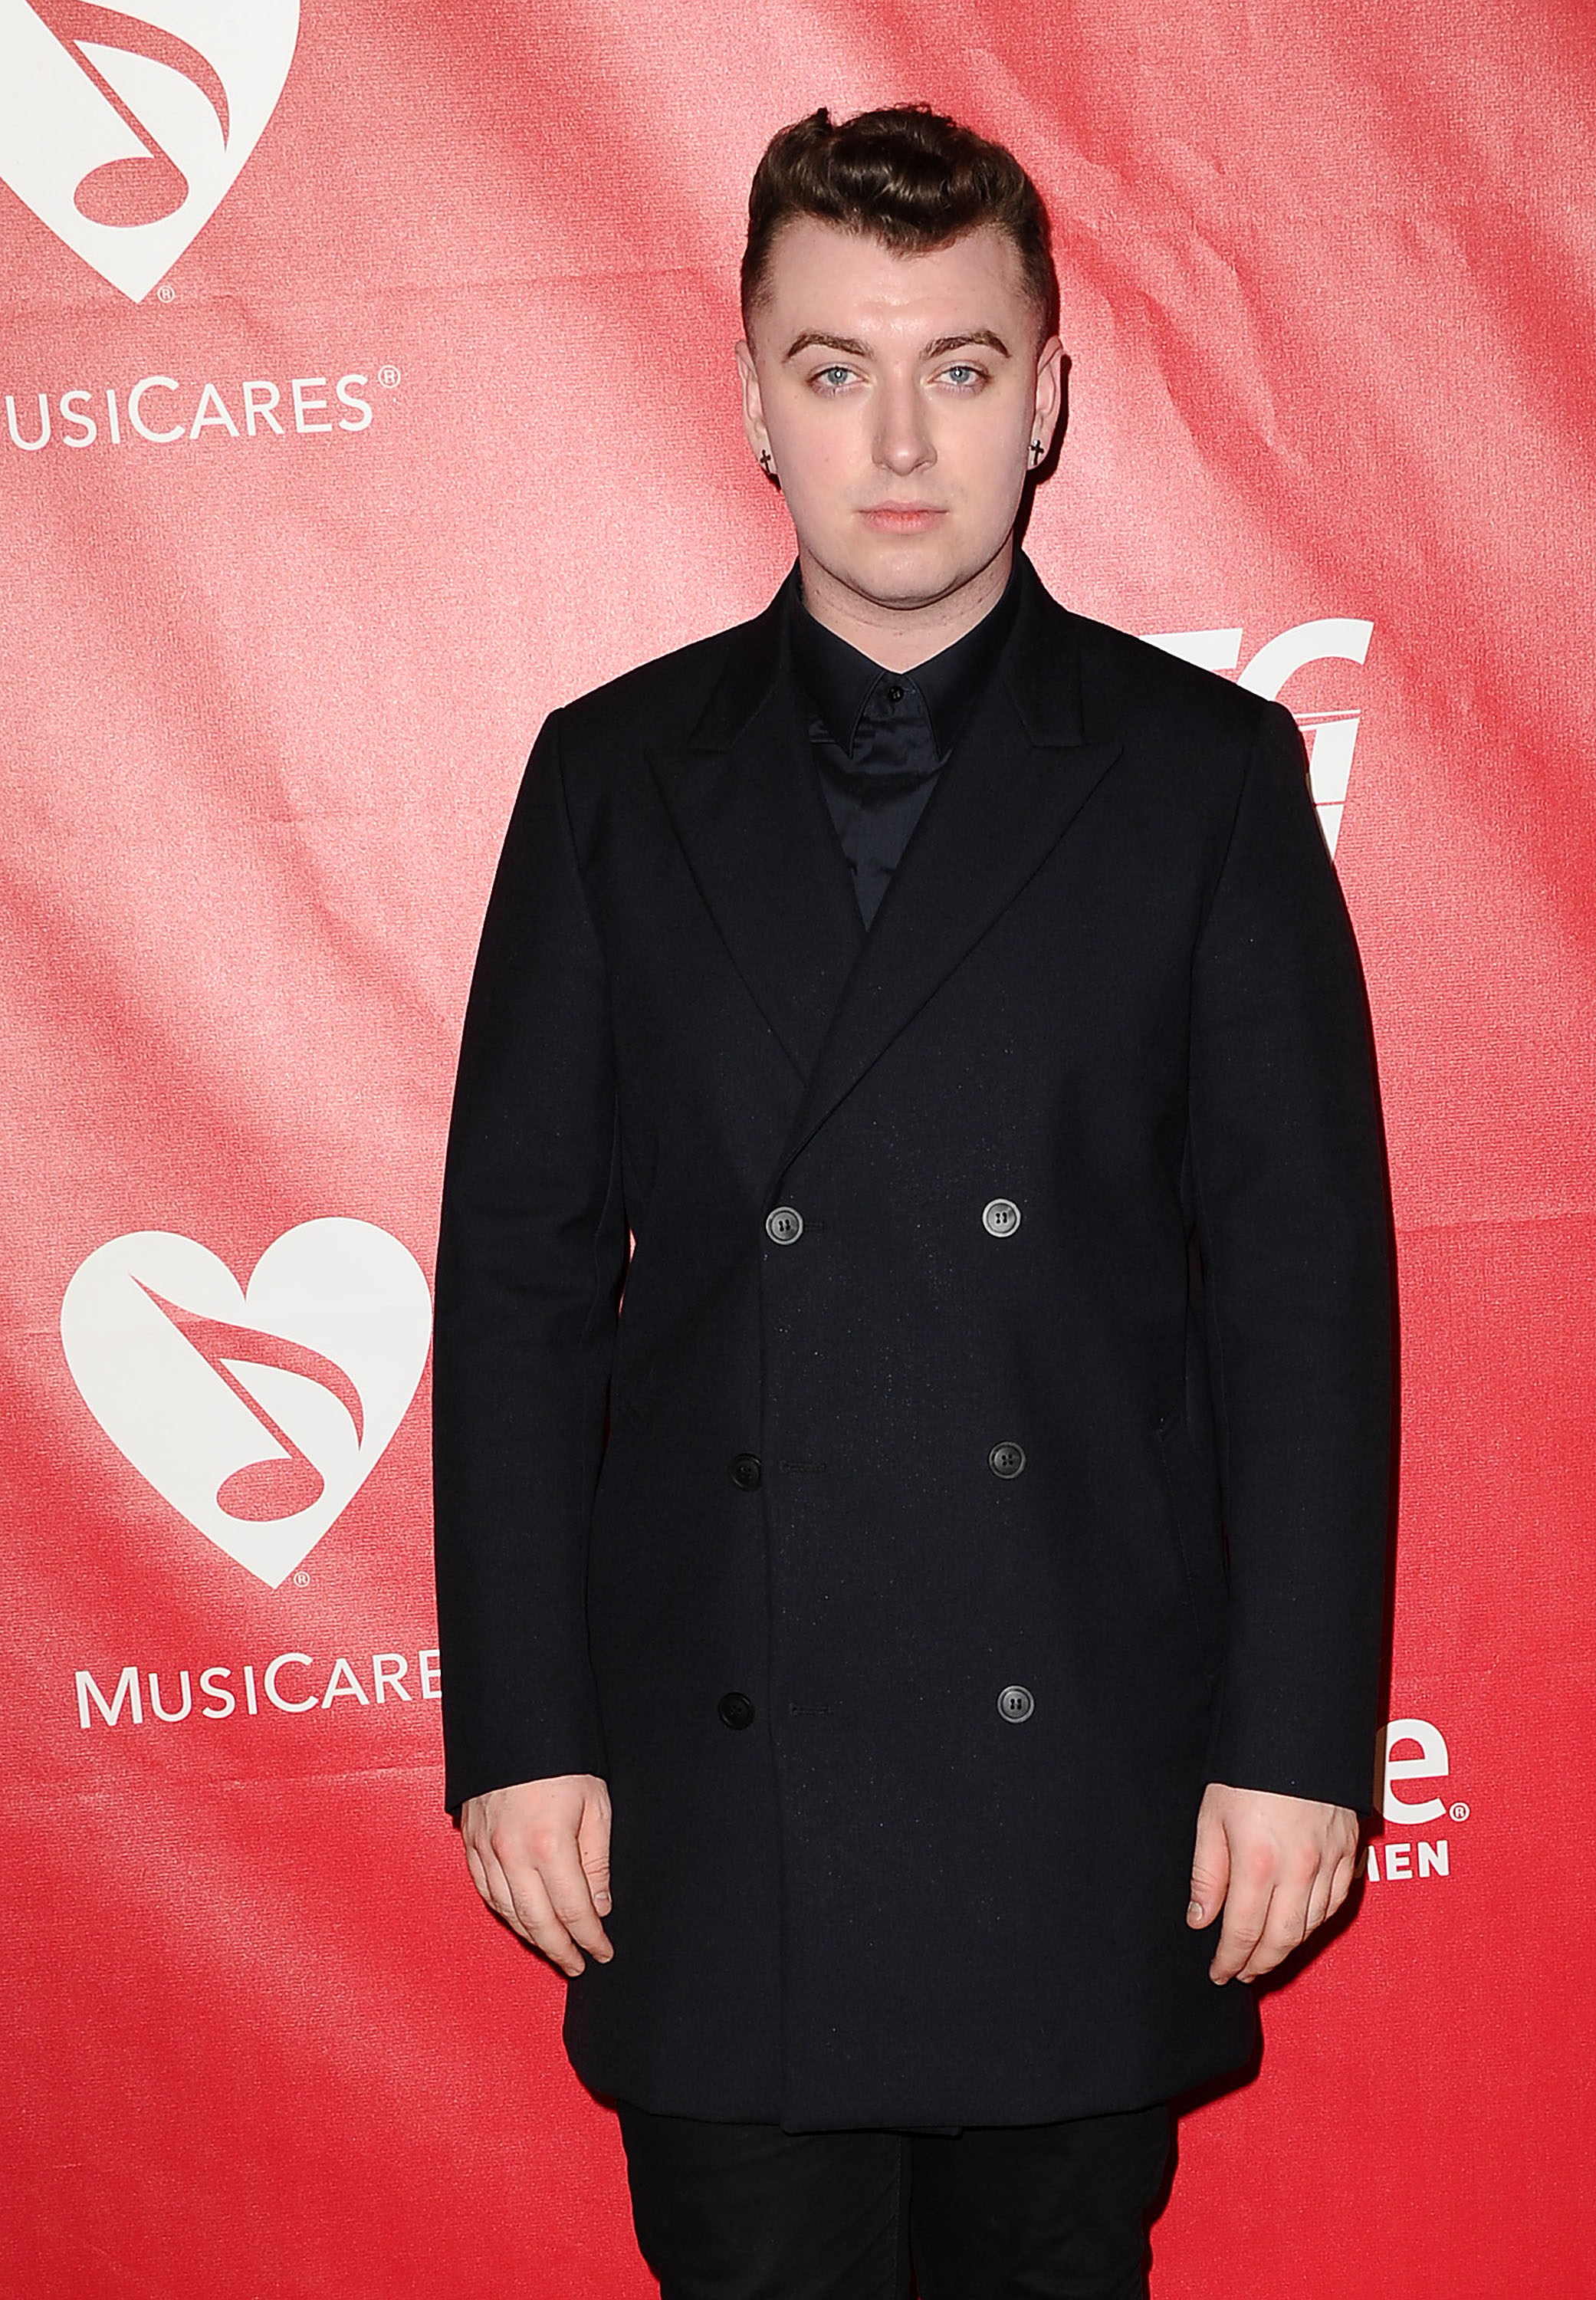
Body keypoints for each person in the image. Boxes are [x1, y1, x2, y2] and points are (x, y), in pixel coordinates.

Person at [433, 103, 1394, 2300]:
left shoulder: (1199, 784)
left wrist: (1289, 1741)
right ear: (750, 393)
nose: (897, 435)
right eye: (834, 365)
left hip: (1075, 1776)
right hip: (713, 1781)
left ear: (1044, 400)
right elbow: (515, 1288)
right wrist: (524, 1728)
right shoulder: (609, 777)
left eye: (958, 366)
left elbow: (1298, 1298)